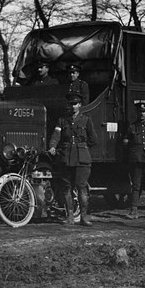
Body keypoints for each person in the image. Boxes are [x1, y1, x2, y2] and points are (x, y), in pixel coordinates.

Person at [49, 92, 98, 226]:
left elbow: (94, 139)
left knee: (82, 187)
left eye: (75, 104)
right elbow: (56, 135)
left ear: (80, 105)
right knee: (66, 188)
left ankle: (84, 217)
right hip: (66, 158)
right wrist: (53, 146)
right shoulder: (62, 120)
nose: (73, 106)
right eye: (71, 104)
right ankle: (70, 217)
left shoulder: (86, 120)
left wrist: (82, 147)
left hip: (82, 159)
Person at [123, 101, 145, 220]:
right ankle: (134, 211)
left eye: (144, 112)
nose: (142, 114)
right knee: (136, 186)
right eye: (140, 112)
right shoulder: (132, 127)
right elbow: (126, 141)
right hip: (136, 160)